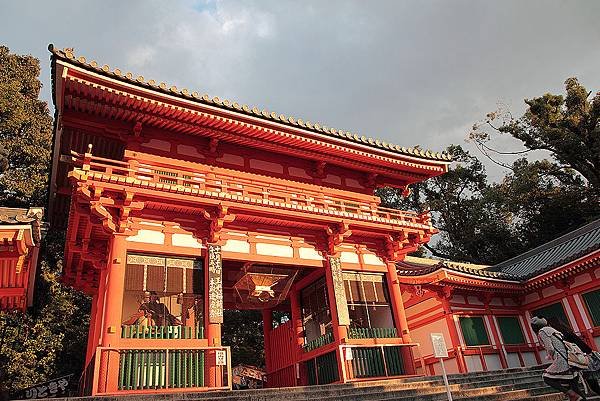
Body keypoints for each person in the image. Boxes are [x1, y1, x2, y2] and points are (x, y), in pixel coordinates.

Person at [531, 316, 587, 401]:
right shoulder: (553, 330)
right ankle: (575, 395)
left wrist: (549, 355)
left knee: (547, 377)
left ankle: (570, 394)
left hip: (562, 360)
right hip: (570, 359)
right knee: (575, 388)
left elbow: (550, 348)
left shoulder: (542, 332)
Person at [547, 317, 600, 396]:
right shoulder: (568, 331)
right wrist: (589, 352)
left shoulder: (560, 335)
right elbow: (580, 342)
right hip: (582, 356)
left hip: (576, 359)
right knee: (591, 382)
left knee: (589, 382)